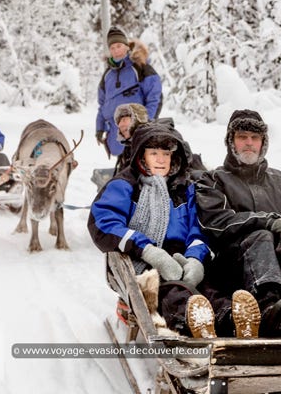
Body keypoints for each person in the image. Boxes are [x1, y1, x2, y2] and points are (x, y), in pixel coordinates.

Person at [195, 109, 281, 337]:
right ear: (231, 141)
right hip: (234, 268)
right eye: (242, 137)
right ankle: (269, 307)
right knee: (261, 235)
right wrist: (269, 223)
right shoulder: (214, 180)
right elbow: (214, 222)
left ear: (263, 143)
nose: (249, 143)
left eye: (255, 138)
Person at [88, 123, 211, 336]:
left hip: (180, 259)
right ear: (142, 155)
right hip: (142, 261)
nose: (161, 159)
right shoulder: (126, 185)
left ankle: (230, 319)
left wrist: (195, 259)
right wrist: (150, 252)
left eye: (166, 153)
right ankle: (192, 330)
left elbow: (198, 229)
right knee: (171, 291)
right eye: (154, 153)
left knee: (211, 287)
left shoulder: (185, 189)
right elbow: (104, 223)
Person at [95, 26, 163, 158]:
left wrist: (147, 123)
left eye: (119, 46)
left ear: (127, 46)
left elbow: (154, 98)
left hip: (137, 131)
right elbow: (102, 104)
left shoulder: (140, 68)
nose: (116, 51)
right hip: (115, 132)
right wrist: (100, 127)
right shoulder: (107, 75)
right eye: (112, 48)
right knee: (123, 166)